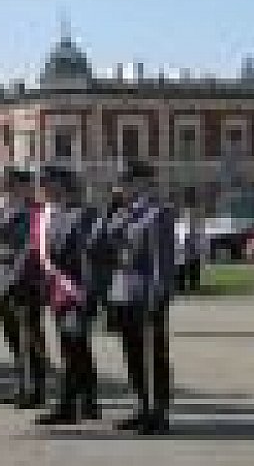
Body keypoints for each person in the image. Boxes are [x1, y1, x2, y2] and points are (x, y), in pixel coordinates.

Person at [103, 162, 176, 433]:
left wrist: (156, 297)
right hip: (123, 292)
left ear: (142, 183)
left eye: (124, 183)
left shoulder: (158, 213)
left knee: (152, 355)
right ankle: (142, 406)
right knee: (132, 353)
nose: (119, 188)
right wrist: (111, 209)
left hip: (146, 294)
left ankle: (158, 413)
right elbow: (102, 242)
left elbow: (161, 260)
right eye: (119, 183)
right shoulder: (122, 214)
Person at [36, 168, 101, 425]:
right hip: (59, 291)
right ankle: (88, 401)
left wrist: (88, 294)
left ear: (62, 186)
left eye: (48, 184)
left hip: (76, 291)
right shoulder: (53, 214)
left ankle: (69, 406)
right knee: (74, 347)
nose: (44, 189)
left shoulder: (83, 215)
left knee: (73, 349)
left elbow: (89, 257)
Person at [0, 168, 50, 409]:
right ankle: (23, 384)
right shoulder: (6, 211)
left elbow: (33, 249)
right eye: (8, 186)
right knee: (14, 336)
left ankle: (35, 389)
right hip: (6, 281)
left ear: (26, 187)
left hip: (27, 282)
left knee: (30, 335)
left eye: (14, 185)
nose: (9, 190)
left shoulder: (35, 212)